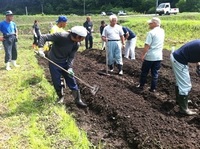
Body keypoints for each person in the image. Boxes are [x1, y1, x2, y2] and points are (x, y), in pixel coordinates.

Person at [37, 26, 88, 108]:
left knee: (71, 79)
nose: (83, 40)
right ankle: (60, 96)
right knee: (56, 81)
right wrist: (40, 49)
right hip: (54, 61)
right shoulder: (61, 36)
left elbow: (71, 57)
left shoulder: (76, 44)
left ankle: (78, 100)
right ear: (77, 36)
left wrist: (70, 67)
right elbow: (44, 37)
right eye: (82, 38)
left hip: (64, 62)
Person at [170, 40, 200, 115]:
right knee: (185, 85)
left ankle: (179, 101)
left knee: (180, 82)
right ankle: (184, 109)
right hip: (179, 60)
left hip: (177, 57)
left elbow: (196, 52)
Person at [137, 17, 165, 92]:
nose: (149, 24)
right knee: (155, 73)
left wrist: (143, 55)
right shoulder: (162, 31)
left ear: (155, 24)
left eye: (150, 23)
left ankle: (141, 85)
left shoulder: (151, 33)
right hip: (159, 56)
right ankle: (153, 88)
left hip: (150, 56)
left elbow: (147, 45)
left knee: (144, 71)